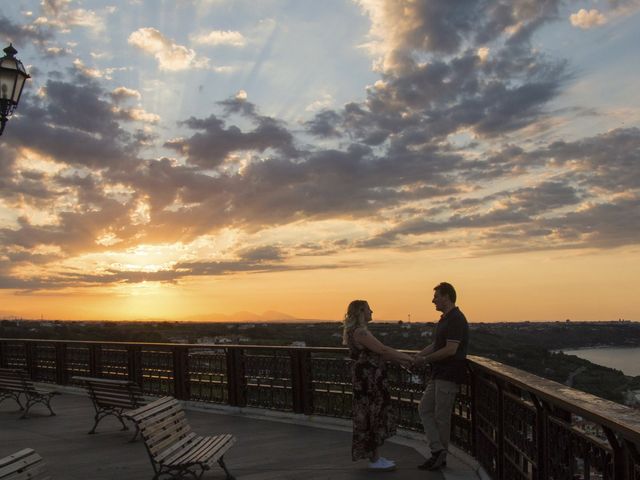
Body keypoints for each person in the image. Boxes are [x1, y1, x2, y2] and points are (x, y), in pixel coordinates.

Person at [343, 299, 413, 471]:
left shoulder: (355, 331)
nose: (371, 311)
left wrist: (402, 360)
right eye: (368, 309)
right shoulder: (361, 332)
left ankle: (375, 457)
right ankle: (375, 460)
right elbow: (382, 350)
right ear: (361, 311)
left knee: (369, 414)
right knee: (373, 414)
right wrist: (409, 358)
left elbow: (380, 353)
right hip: (370, 380)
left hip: (366, 379)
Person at [413, 282, 469, 471]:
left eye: (436, 296)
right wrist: (419, 356)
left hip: (449, 373)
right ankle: (438, 450)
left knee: (441, 416)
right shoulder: (444, 319)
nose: (433, 300)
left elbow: (451, 349)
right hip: (438, 373)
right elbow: (437, 344)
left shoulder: (456, 319)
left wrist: (425, 359)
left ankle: (439, 456)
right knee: (424, 409)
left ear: (446, 296)